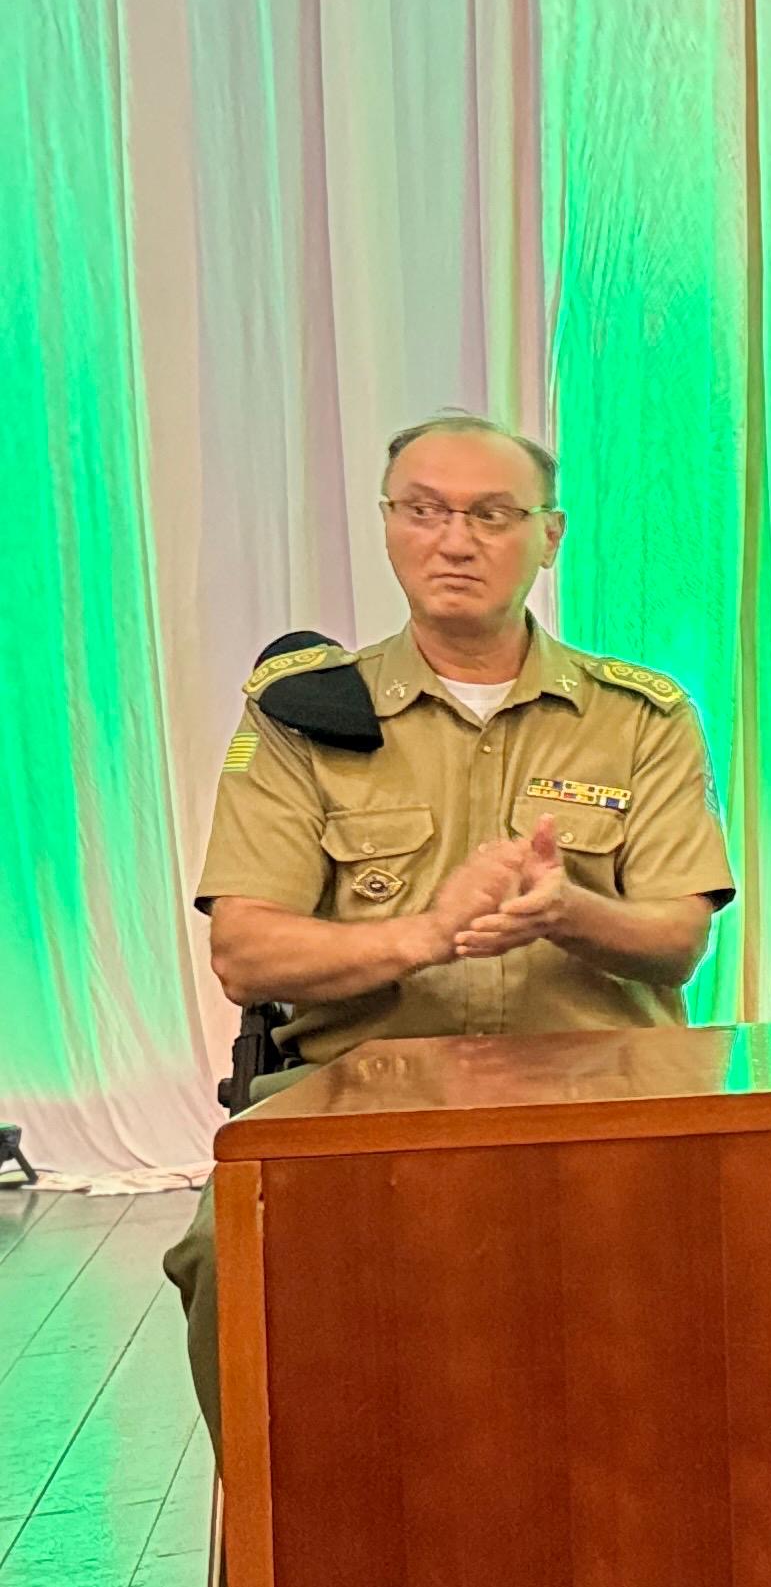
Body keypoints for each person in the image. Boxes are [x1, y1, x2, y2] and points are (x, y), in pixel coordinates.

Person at [168, 414, 734, 1434]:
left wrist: (565, 912)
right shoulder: (303, 714)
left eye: (490, 515)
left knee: (762, 1251)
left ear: (550, 535)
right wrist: (426, 935)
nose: (455, 541)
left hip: (597, 1096)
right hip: (359, 1100)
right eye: (424, 511)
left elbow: (678, 938)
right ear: (388, 525)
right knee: (226, 1250)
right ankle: (278, 1564)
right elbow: (245, 952)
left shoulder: (641, 716)